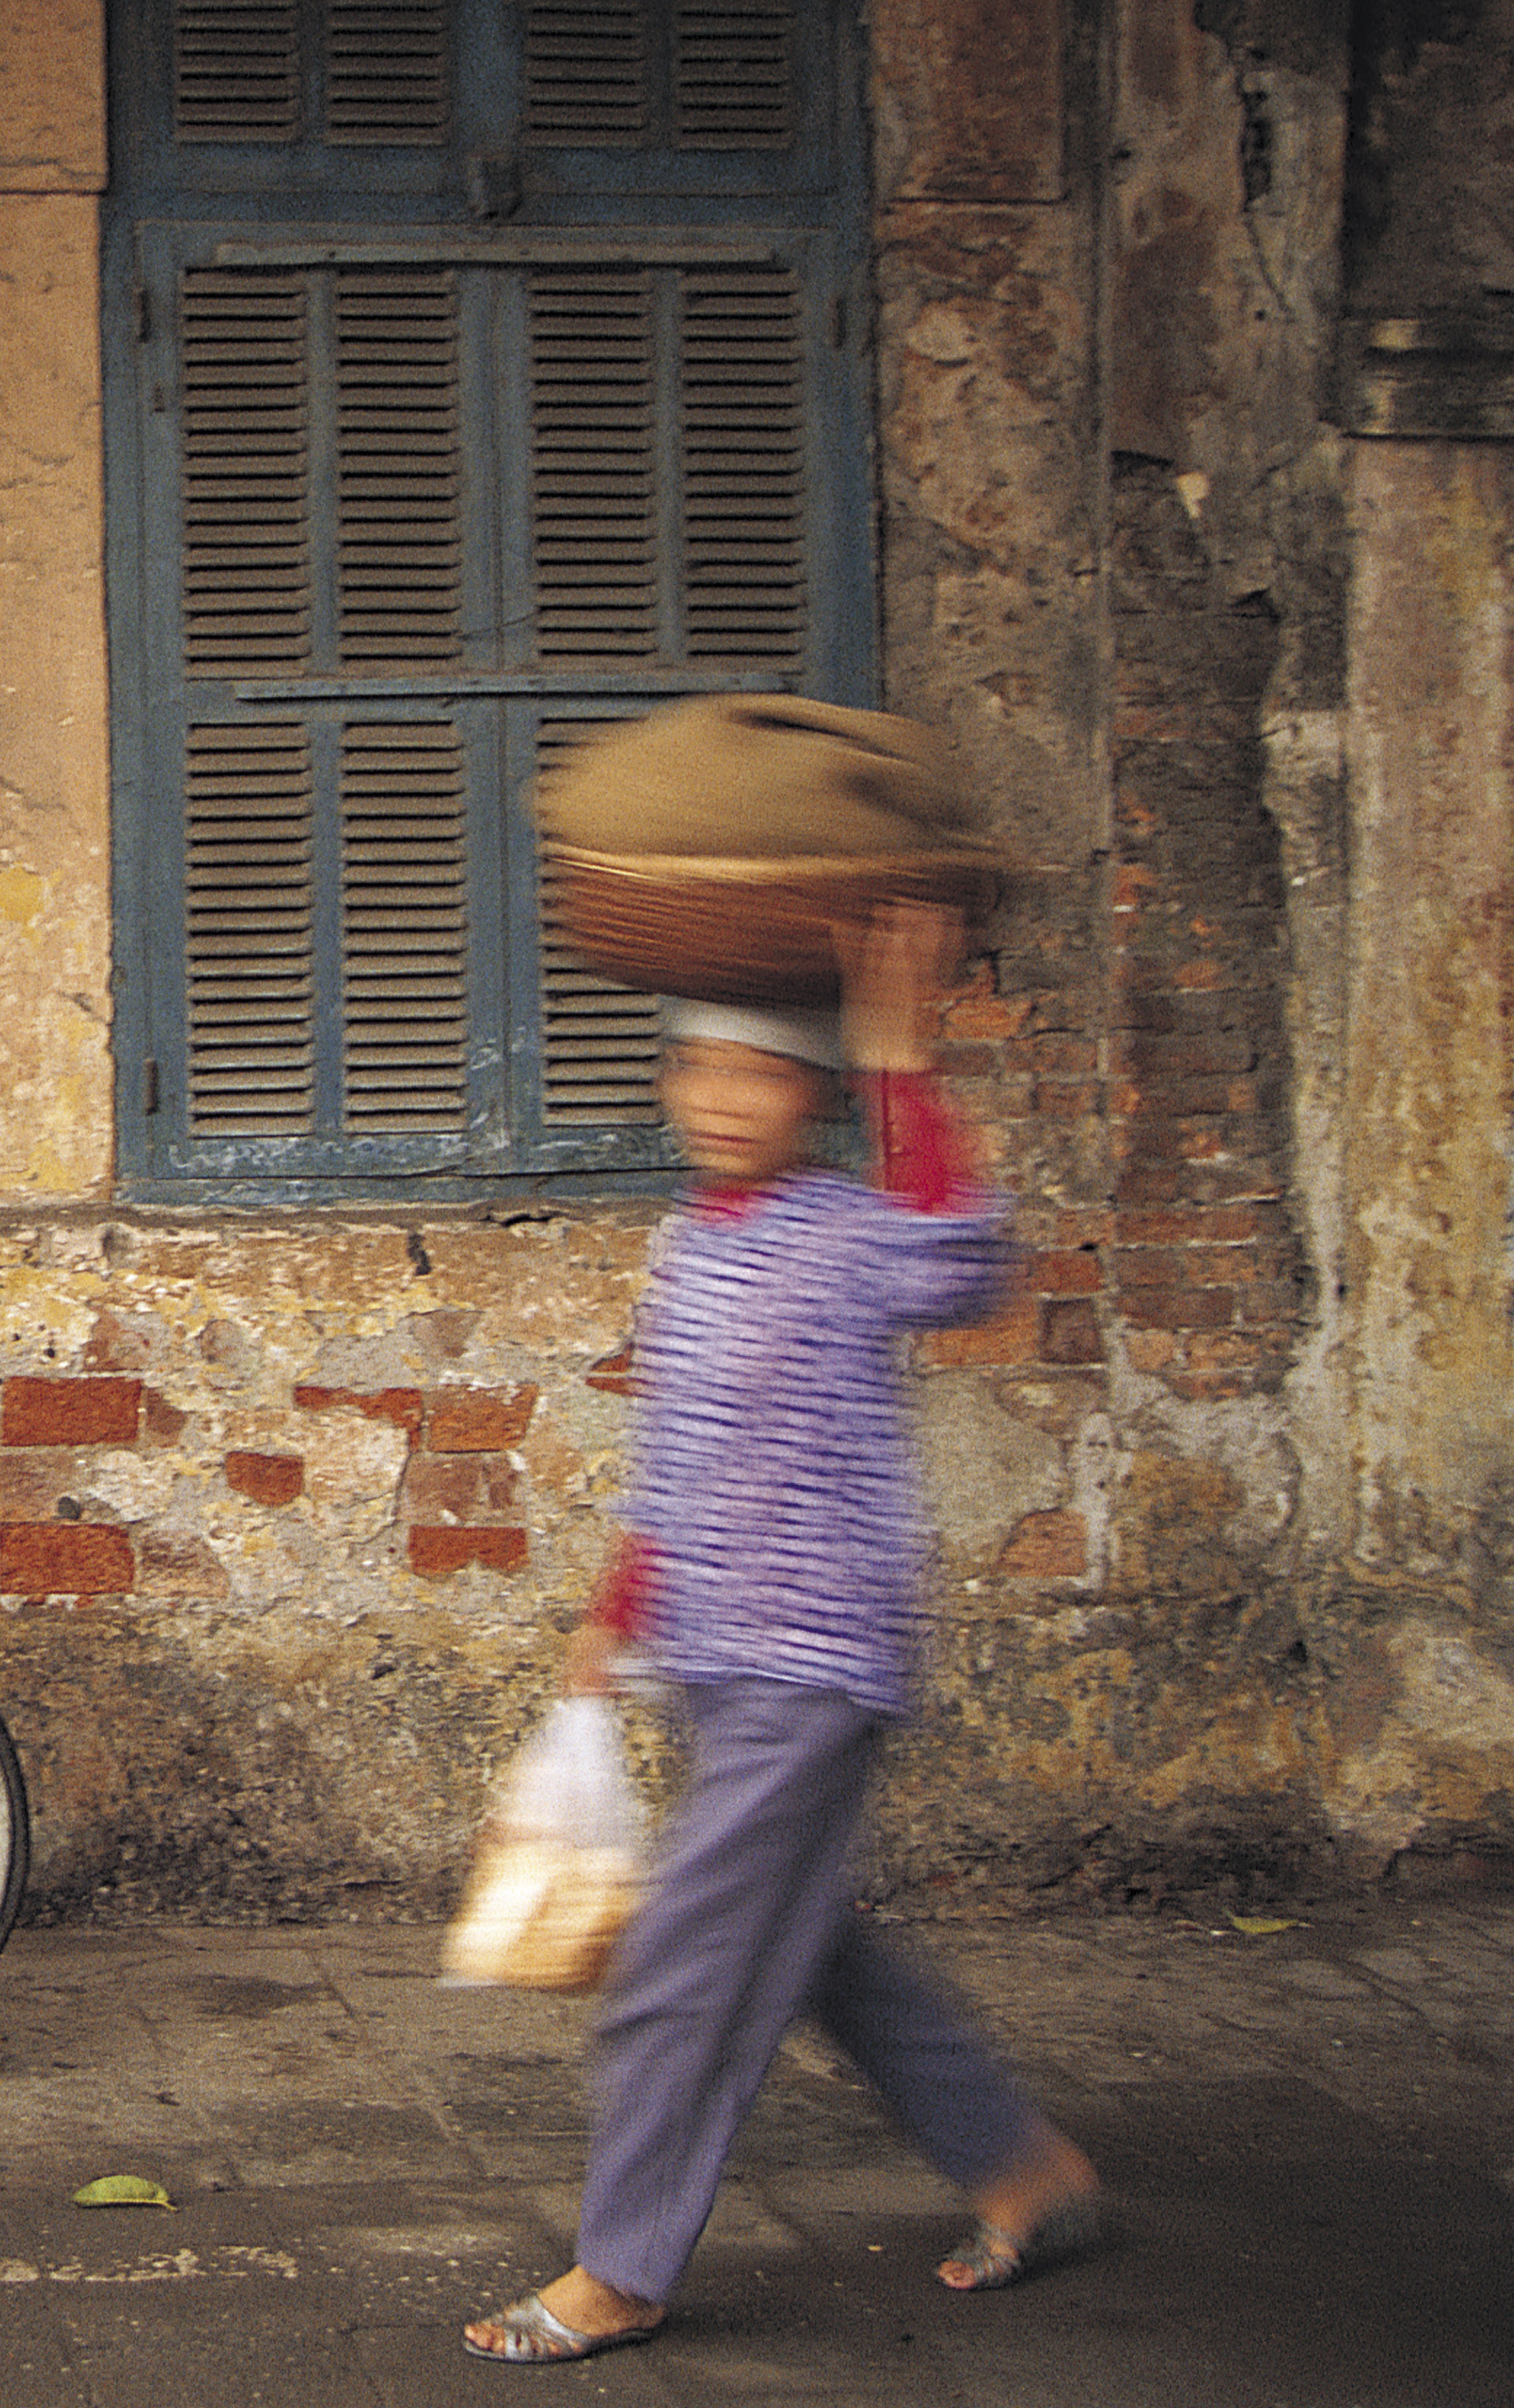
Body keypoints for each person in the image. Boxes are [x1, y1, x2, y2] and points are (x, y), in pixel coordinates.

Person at [461, 903, 1105, 2367]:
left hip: (815, 1659)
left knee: (683, 1969)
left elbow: (965, 1263)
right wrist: (615, 1613)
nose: (721, 1100)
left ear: (803, 1103)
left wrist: (899, 1058)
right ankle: (1022, 2167)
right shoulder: (696, 1242)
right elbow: (677, 1455)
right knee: (816, 1943)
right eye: (699, 1073)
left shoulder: (838, 1234)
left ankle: (622, 2268)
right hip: (709, 1648)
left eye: (757, 1078)